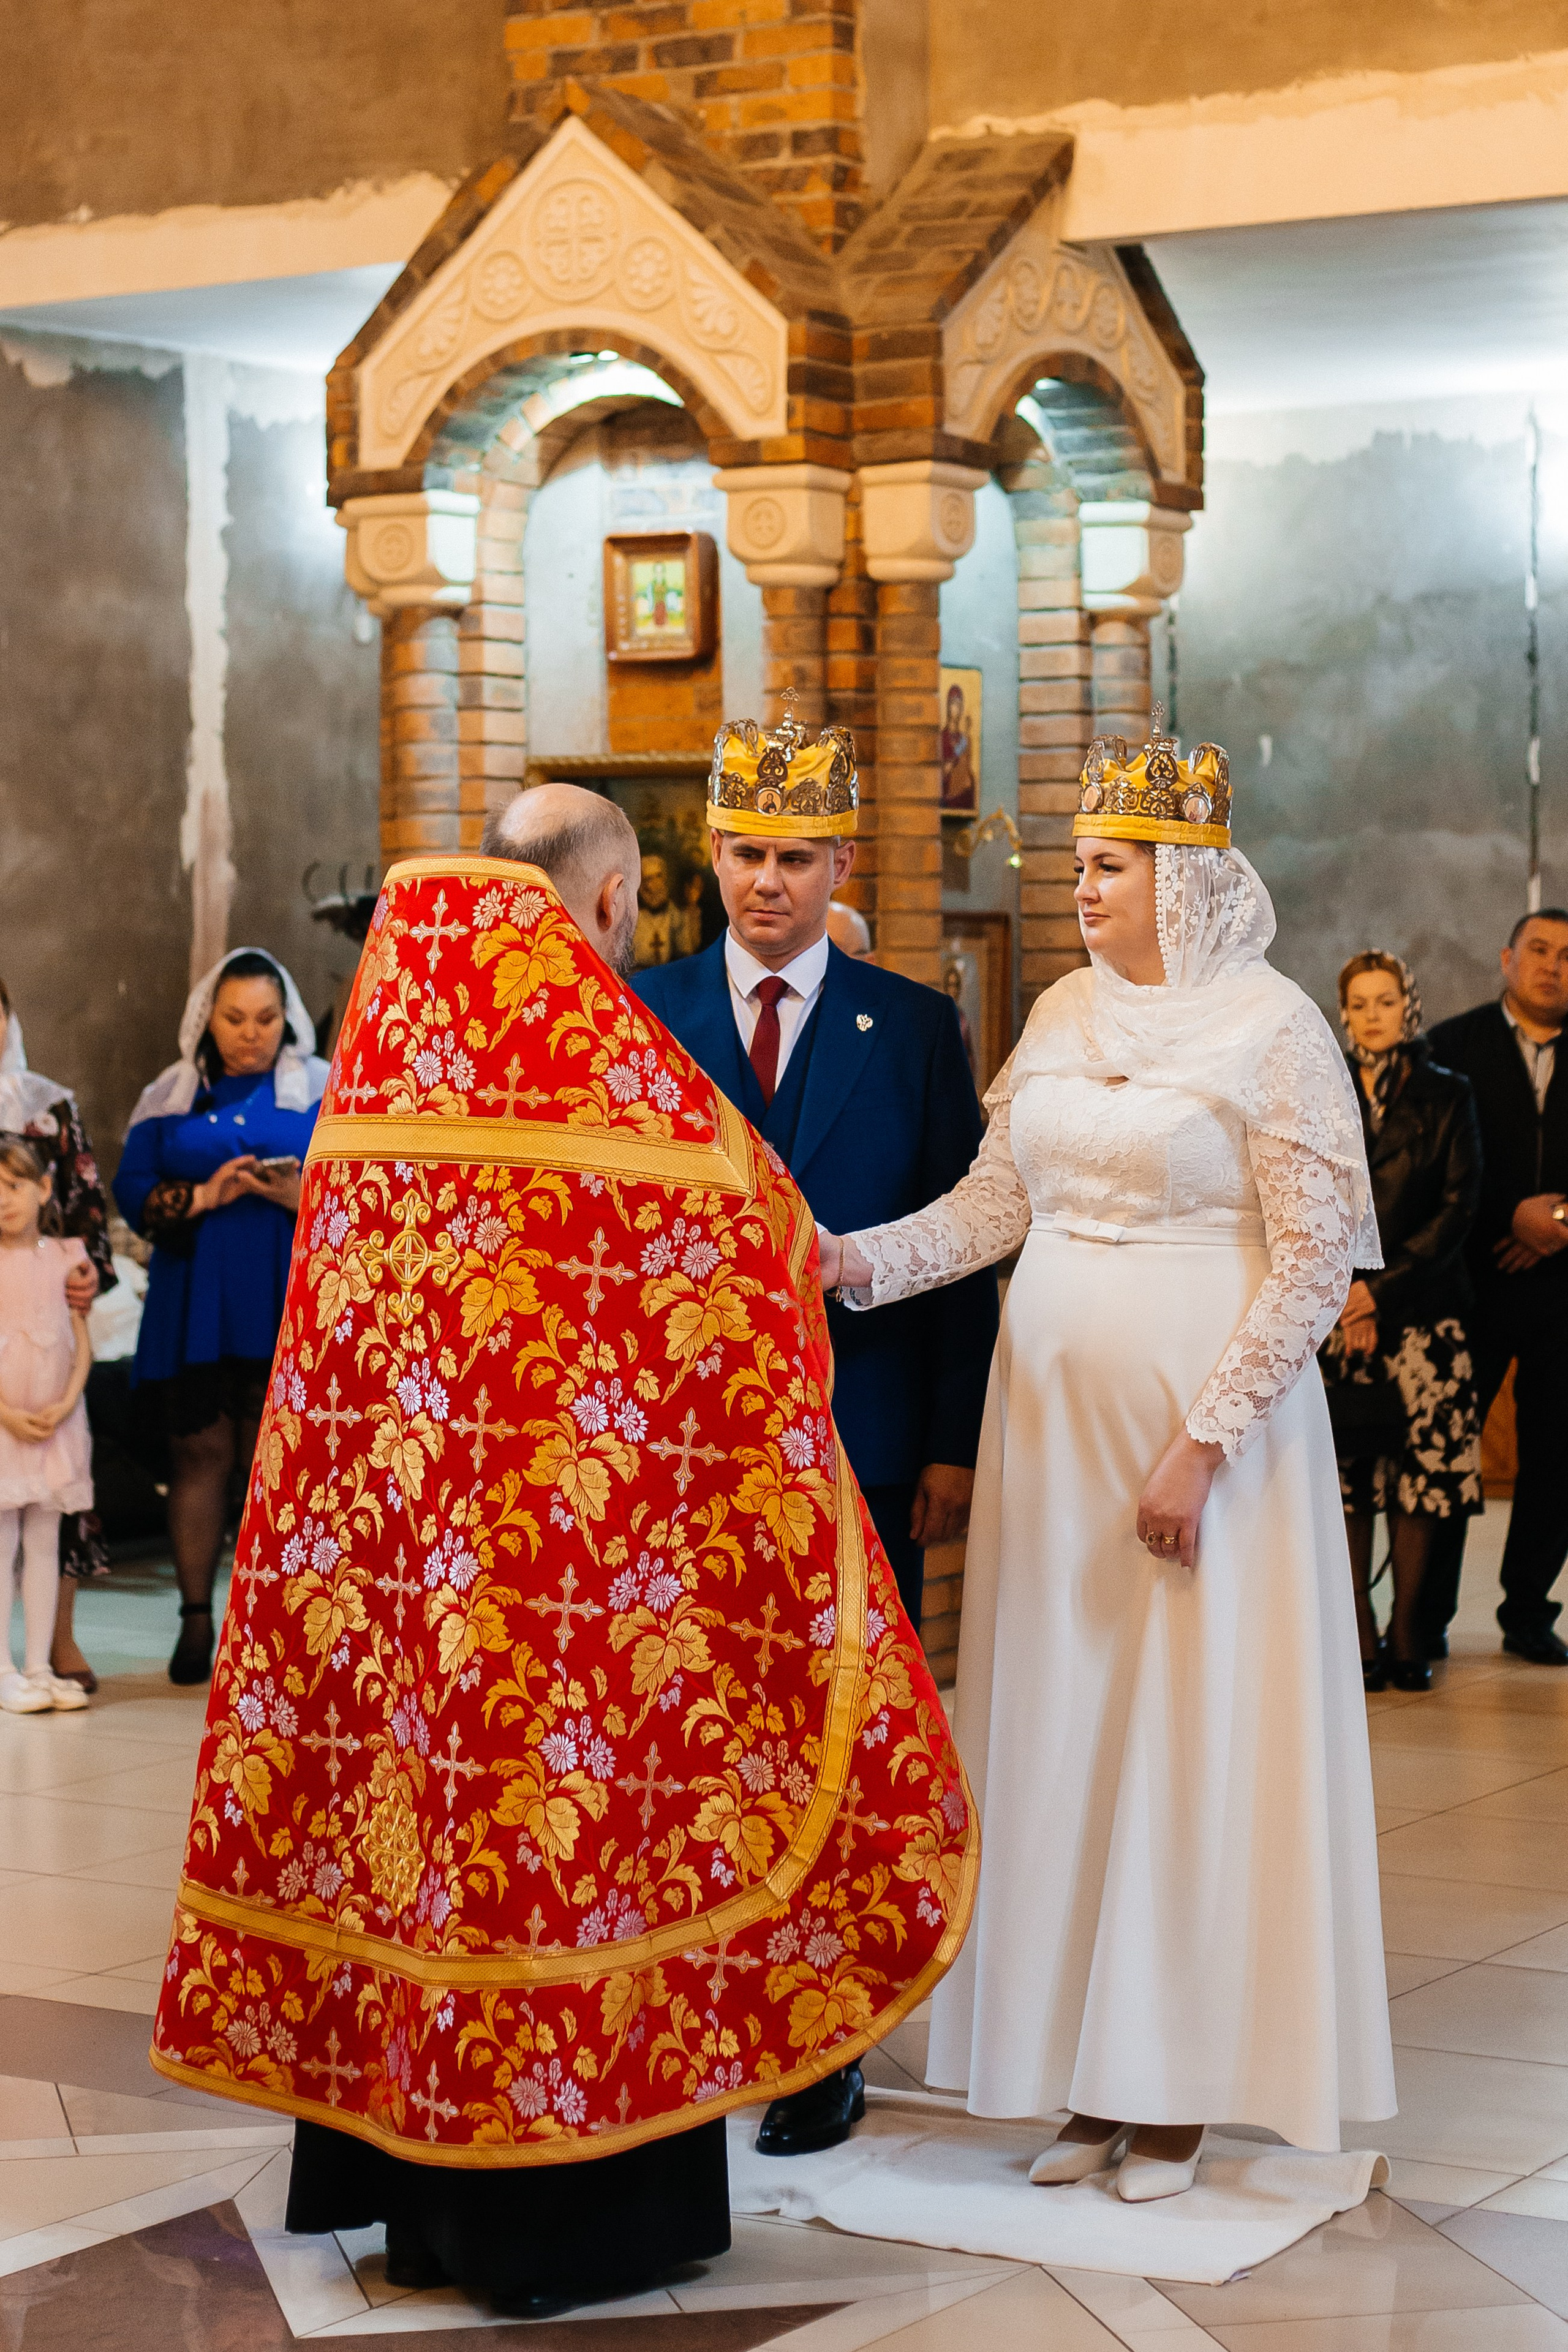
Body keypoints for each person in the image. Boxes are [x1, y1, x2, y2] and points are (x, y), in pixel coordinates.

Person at [151, 786, 977, 2318]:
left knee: (403, 1848)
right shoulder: (613, 1085)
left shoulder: (383, 1072)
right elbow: (761, 1244)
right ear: (605, 913)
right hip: (563, 1606)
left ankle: (393, 2179)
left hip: (394, 1592)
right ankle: (566, 2222)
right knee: (556, 1860)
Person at [820, 715, 1395, 2200]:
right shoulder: (1064, 1013)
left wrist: (1199, 1445)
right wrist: (848, 1260)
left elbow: (1314, 1256)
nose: (1079, 890)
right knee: (1064, 1729)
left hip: (1202, 1436)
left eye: (1107, 867)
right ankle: (1084, 2069)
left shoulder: (1270, 1027)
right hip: (1050, 1438)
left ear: (1185, 877)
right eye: (1075, 866)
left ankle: (1177, 2085)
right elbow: (987, 1205)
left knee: (1185, 1737)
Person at [635, 704, 999, 2158]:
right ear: (705, 850)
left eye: (792, 853)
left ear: (840, 858)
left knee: (837, 1747)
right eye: (740, 850)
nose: (765, 880)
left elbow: (964, 1243)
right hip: (683, 1455)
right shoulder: (643, 1007)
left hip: (862, 1437)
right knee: (691, 1742)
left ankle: (826, 2038)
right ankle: (690, 2008)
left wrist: (953, 1442)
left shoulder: (908, 1026)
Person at [113, 949, 326, 1685]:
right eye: (235, 1018)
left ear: (287, 1017)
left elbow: (365, 1185)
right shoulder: (172, 1093)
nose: (251, 1034)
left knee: (287, 1469)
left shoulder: (323, 1087)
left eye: (266, 1018)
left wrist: (297, 1196)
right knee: (200, 1455)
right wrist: (203, 1195)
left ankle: (283, 1632)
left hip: (285, 1294)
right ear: (208, 1018)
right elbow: (133, 1188)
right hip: (198, 1293)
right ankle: (197, 1620)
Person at [1321, 953, 1482, 1694]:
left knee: (1423, 1481)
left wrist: (1379, 1294)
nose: (1374, 1014)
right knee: (1347, 1480)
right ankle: (1355, 1627)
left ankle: (1408, 1630)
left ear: (1408, 1008)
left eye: (1387, 1001)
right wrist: (1345, 1293)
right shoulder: (1317, 1090)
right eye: (1360, 1003)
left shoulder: (1449, 1093)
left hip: (1422, 1312)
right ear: (1345, 1012)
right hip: (1332, 1312)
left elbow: (1458, 1207)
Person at [1418, 910, 1568, 1665]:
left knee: (1556, 1457)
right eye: (1538, 951)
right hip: (1470, 1285)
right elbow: (1429, 1167)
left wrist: (1560, 1217)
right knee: (1448, 1455)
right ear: (1508, 958)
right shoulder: (1450, 1047)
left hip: (1563, 1290)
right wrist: (1507, 1213)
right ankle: (1427, 1615)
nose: (1552, 967)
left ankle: (1528, 1611)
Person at [0, 976, 116, 1689]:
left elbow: (84, 1208)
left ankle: (49, 1648)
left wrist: (83, 1273)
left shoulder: (49, 1107)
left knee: (46, 1502)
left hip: (40, 1315)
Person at [0, 1138, 94, 1714]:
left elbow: (81, 1338)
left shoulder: (66, 1256)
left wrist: (66, 1404)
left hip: (56, 1422)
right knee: (2, 1540)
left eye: (13, 1186)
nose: (3, 1200)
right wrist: (7, 1414)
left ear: (42, 1190)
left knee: (44, 1541)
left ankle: (38, 1664)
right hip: (5, 1424)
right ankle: (3, 1668)